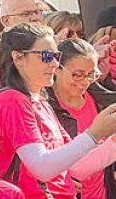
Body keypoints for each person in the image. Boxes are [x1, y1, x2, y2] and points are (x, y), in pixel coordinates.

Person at [0, 23, 116, 198]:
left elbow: (77, 167)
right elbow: (42, 168)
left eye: (56, 56)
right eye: (46, 56)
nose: (54, 63)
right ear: (18, 58)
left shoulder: (41, 101)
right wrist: (94, 134)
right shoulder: (11, 100)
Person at [45, 39, 112, 199]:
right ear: (57, 69)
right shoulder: (42, 106)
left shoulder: (99, 100)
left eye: (91, 75)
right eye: (77, 75)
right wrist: (56, 178)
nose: (84, 82)